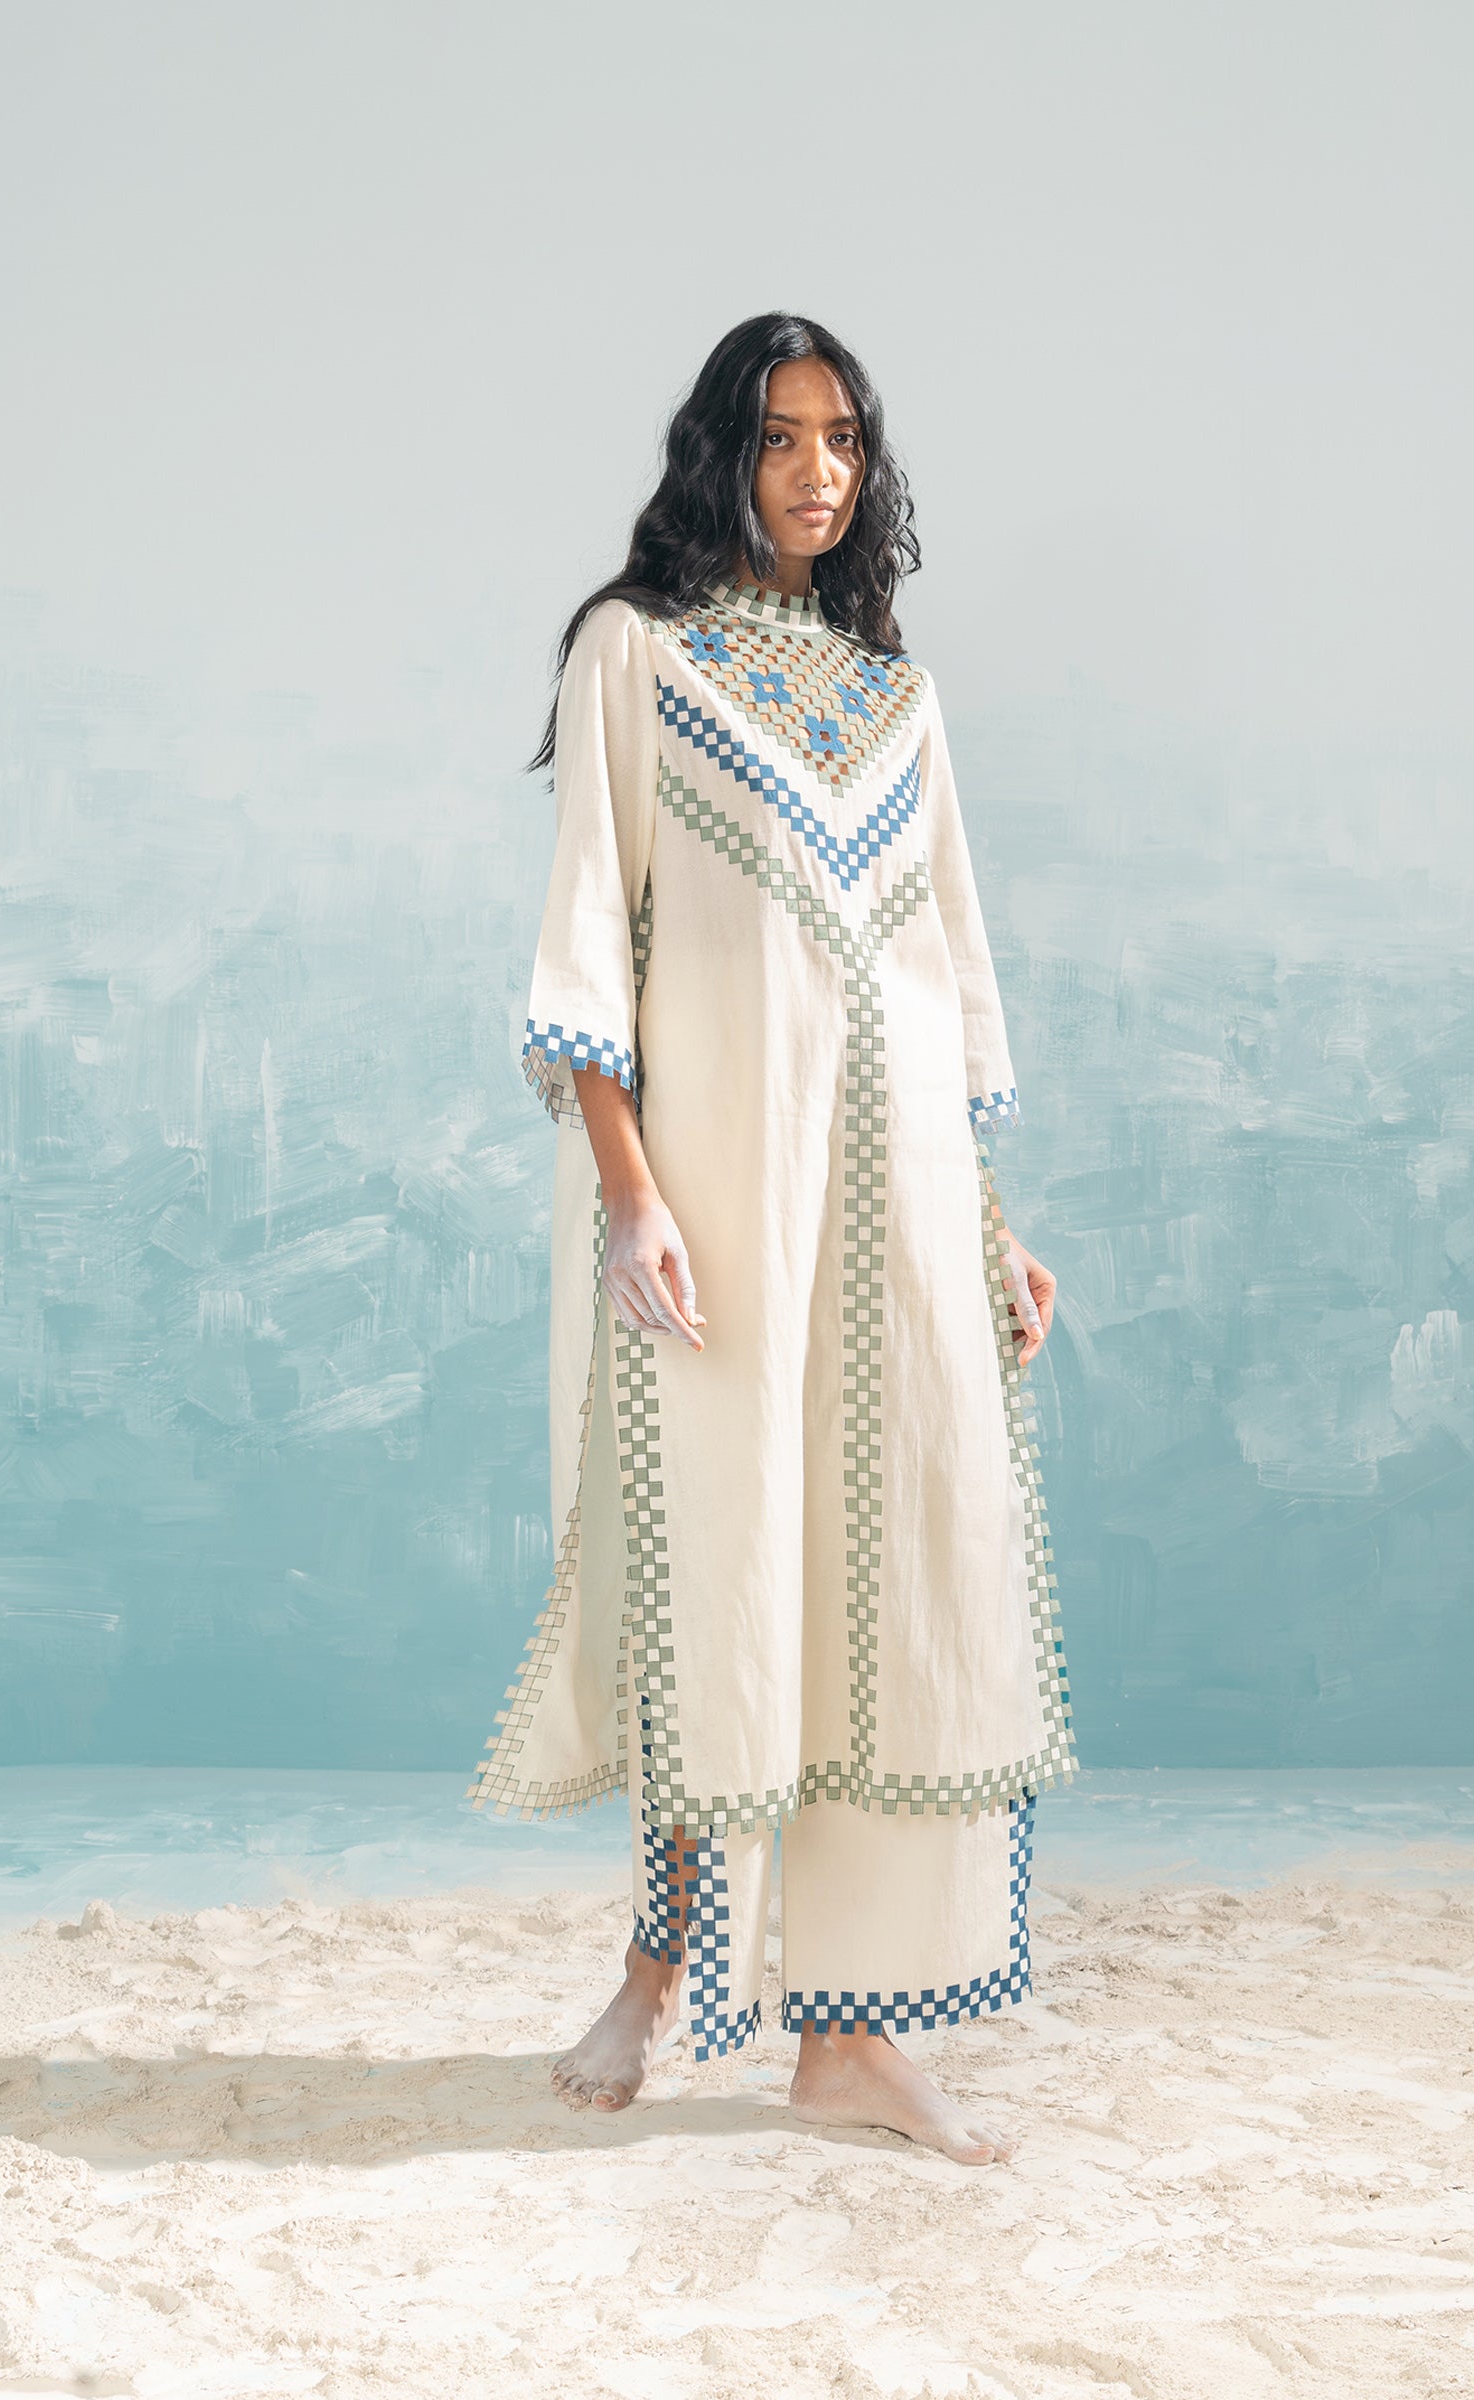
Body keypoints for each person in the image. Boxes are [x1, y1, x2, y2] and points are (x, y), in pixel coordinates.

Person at [469, 311, 1078, 2166]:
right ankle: (661, 1970)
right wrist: (633, 1193)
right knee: (720, 1581)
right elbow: (590, 945)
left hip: (901, 1214)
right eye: (784, 435)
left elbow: (937, 975)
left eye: (845, 439)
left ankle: (851, 2041)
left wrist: (992, 1228)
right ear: (720, 452)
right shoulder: (635, 654)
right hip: (720, 1205)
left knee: (887, 1593)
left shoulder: (898, 696)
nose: (820, 471)